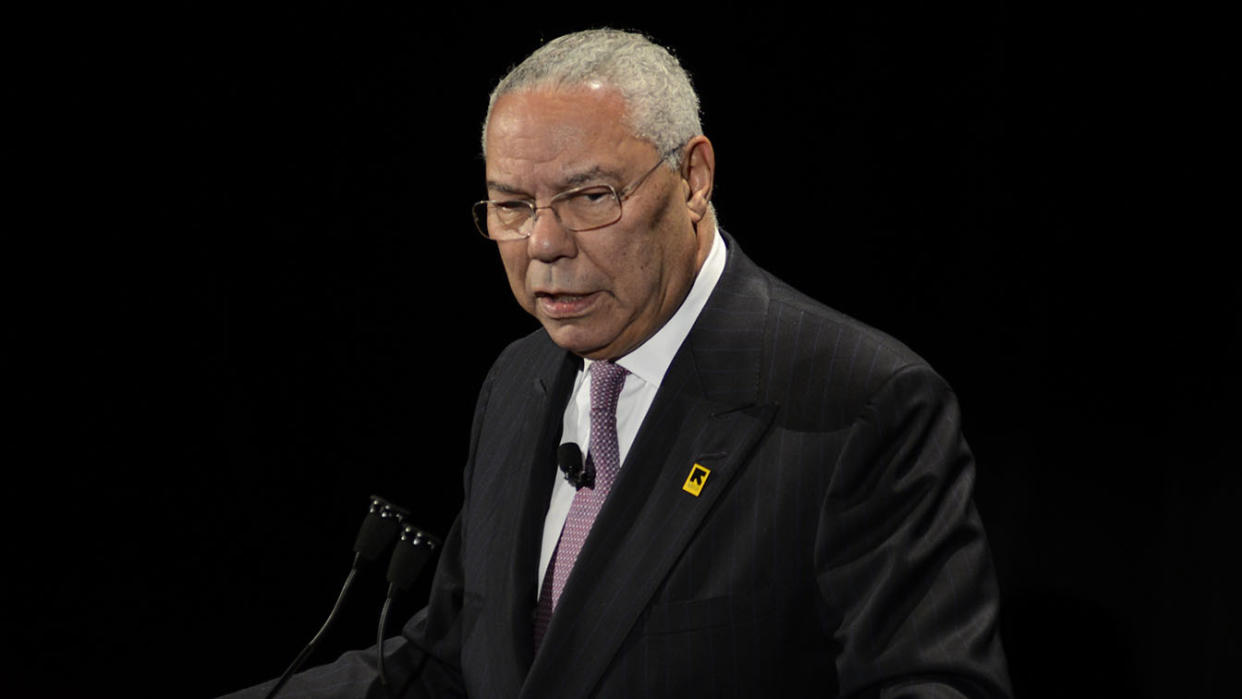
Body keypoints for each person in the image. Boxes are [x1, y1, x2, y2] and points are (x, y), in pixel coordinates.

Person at [226, 28, 1011, 698]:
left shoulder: (861, 401)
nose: (544, 243)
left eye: (590, 196)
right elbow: (453, 658)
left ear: (693, 177)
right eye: (512, 206)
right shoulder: (517, 380)